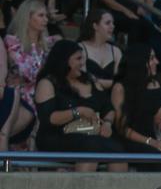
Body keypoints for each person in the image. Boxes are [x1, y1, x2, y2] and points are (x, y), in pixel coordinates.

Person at [34, 39, 128, 171]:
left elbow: (108, 108)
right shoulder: (48, 83)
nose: (82, 63)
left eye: (82, 58)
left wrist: (107, 123)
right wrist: (78, 111)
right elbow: (48, 119)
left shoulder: (90, 79)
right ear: (65, 60)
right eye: (78, 59)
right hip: (57, 136)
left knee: (118, 149)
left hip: (90, 134)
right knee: (91, 147)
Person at [111, 43, 161, 170]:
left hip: (149, 139)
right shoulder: (120, 88)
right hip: (127, 139)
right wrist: (152, 142)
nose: (157, 62)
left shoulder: (155, 84)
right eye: (151, 58)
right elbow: (122, 128)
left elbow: (159, 119)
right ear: (139, 61)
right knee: (158, 157)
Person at [5, 0, 59, 113]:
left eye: (46, 16)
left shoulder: (49, 44)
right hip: (19, 100)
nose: (46, 20)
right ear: (27, 18)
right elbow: (25, 73)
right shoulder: (12, 42)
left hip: (43, 97)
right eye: (41, 15)